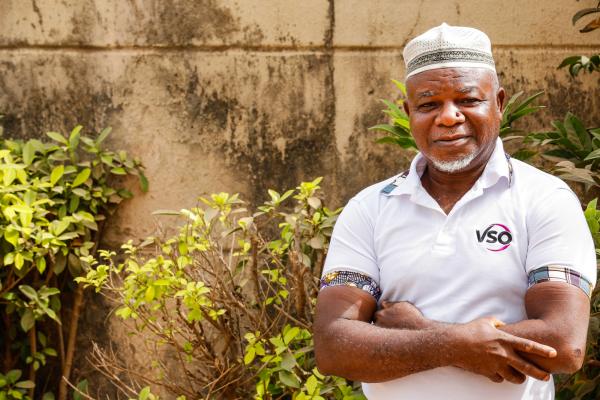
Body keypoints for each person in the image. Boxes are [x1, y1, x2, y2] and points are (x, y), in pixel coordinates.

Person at [313, 23, 597, 400]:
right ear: (409, 111)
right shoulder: (370, 208)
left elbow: (563, 343)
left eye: (467, 100)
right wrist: (454, 343)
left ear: (498, 103)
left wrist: (420, 329)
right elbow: (334, 347)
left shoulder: (544, 199)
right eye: (429, 104)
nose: (448, 117)